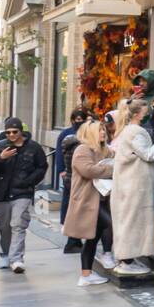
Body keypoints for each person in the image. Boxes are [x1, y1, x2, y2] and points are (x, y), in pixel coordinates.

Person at [110, 98, 154, 275]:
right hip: (135, 187)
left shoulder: (127, 131)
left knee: (128, 220)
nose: (148, 115)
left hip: (131, 185)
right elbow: (150, 154)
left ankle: (128, 258)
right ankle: (127, 260)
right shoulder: (135, 132)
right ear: (137, 114)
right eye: (145, 112)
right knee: (132, 221)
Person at [0, 117, 49, 272]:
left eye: (14, 131)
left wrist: (29, 181)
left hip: (22, 193)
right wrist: (1, 158)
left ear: (21, 131)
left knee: (18, 224)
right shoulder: (0, 147)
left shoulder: (33, 147)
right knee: (3, 226)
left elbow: (42, 167)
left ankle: (17, 259)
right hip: (1, 193)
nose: (11, 135)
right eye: (8, 132)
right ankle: (6, 254)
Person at [63, 119, 116, 286]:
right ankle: (113, 258)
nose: (103, 133)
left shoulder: (105, 150)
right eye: (99, 130)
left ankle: (86, 275)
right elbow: (89, 170)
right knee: (111, 225)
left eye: (104, 130)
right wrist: (112, 169)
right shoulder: (82, 149)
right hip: (87, 201)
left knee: (93, 238)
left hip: (101, 199)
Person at [56, 106, 88, 250]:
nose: (79, 121)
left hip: (82, 175)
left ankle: (75, 238)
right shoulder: (66, 134)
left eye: (82, 119)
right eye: (77, 119)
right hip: (70, 175)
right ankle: (72, 238)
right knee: (70, 204)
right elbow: (59, 153)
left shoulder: (88, 133)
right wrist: (61, 170)